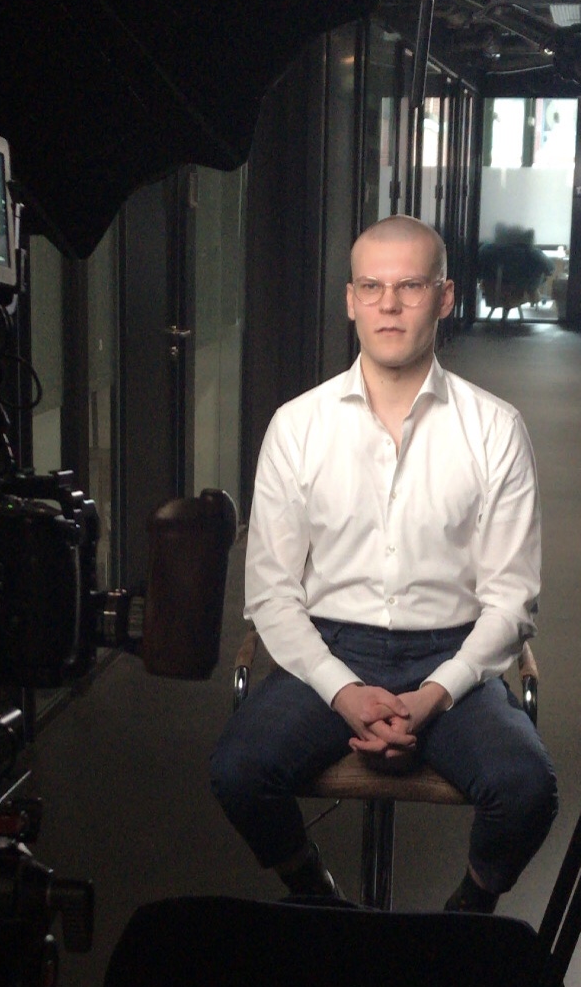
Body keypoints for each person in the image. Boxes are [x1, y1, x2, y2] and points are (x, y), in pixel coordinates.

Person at [210, 215, 557, 913]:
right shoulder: (298, 426)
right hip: (329, 648)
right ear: (351, 300)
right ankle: (316, 893)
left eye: (410, 287)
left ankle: (465, 916)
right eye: (372, 287)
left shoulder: (495, 428)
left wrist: (434, 696)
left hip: (452, 651)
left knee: (526, 789)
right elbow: (272, 594)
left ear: (445, 297)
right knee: (238, 771)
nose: (389, 305)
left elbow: (512, 598)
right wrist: (344, 692)